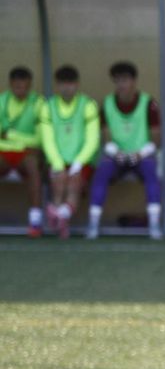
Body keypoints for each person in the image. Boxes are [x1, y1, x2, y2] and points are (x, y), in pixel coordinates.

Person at [87, 61, 163, 240]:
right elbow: (106, 138)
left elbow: (157, 139)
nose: (121, 85)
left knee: (152, 172)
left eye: (125, 80)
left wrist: (140, 153)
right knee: (102, 171)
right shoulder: (106, 104)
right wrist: (116, 153)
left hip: (142, 154)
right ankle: (93, 224)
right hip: (117, 156)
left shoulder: (149, 103)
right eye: (118, 81)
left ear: (134, 81)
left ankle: (154, 225)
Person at [38, 64, 99, 240]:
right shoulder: (48, 106)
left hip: (82, 160)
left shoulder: (88, 105)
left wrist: (79, 163)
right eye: (63, 83)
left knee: (74, 182)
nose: (67, 87)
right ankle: (61, 220)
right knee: (59, 181)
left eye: (70, 83)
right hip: (57, 159)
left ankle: (59, 216)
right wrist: (57, 164)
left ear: (77, 84)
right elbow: (47, 139)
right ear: (57, 85)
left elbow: (92, 139)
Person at [0, 66, 46, 237]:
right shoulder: (1, 101)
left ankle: (35, 222)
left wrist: (10, 135)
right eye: (17, 86)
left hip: (27, 155)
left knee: (33, 165)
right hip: (4, 153)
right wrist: (20, 142)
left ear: (30, 85)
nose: (21, 90)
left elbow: (39, 140)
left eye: (25, 86)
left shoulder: (39, 103)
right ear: (10, 85)